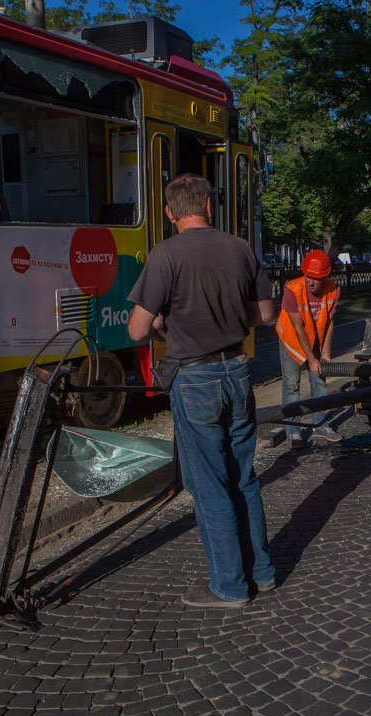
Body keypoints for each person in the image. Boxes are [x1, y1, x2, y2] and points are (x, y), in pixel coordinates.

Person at [127, 173, 277, 609]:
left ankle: (230, 585)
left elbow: (139, 328)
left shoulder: (165, 255)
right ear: (209, 206)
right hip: (237, 371)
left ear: (171, 213)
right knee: (243, 477)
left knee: (209, 484)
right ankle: (262, 573)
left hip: (194, 380)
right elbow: (265, 313)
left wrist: (163, 324)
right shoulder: (240, 248)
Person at [275, 249, 343, 449]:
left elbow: (330, 322)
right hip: (292, 340)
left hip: (315, 337)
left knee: (320, 380)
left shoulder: (333, 290)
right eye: (307, 277)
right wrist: (310, 358)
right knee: (291, 385)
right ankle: (293, 432)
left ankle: (320, 424)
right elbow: (298, 328)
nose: (310, 282)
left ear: (325, 277)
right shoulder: (292, 290)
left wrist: (325, 354)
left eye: (315, 278)